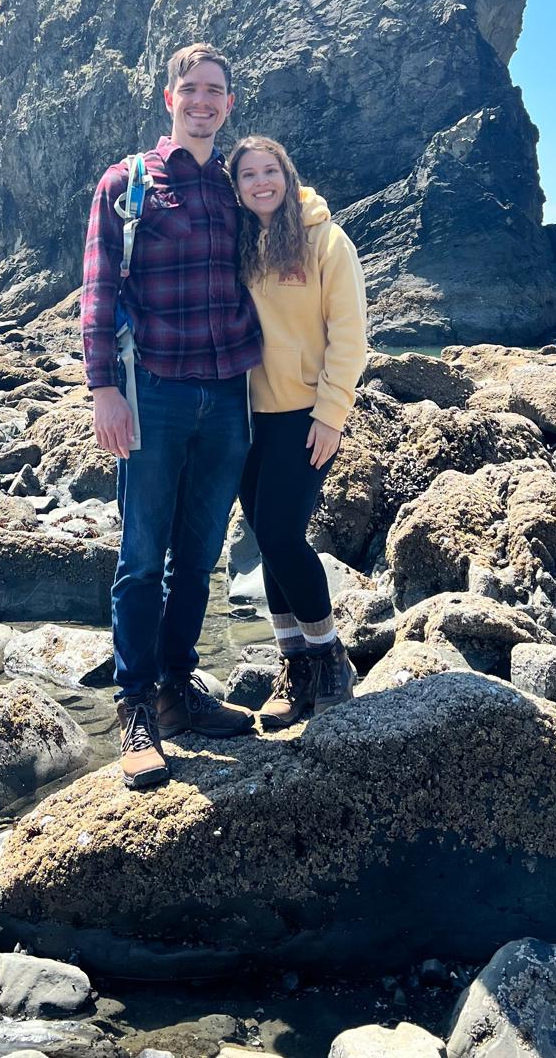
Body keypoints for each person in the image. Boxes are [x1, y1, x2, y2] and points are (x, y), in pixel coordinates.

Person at [82, 41, 260, 790]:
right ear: (168, 98)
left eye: (215, 91)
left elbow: (288, 261)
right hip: (151, 390)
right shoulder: (129, 183)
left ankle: (180, 687)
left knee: (201, 556)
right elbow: (97, 292)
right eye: (190, 89)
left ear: (228, 103)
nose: (203, 101)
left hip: (225, 396)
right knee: (140, 558)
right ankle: (135, 708)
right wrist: (103, 389)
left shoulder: (234, 186)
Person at [227, 135, 367, 727]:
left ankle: (329, 652)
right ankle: (296, 667)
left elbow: (351, 334)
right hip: (243, 418)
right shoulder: (238, 245)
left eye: (270, 171)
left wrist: (331, 414)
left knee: (282, 536)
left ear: (287, 174)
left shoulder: (325, 240)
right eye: (248, 175)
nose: (261, 183)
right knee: (267, 540)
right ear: (236, 188)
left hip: (305, 417)